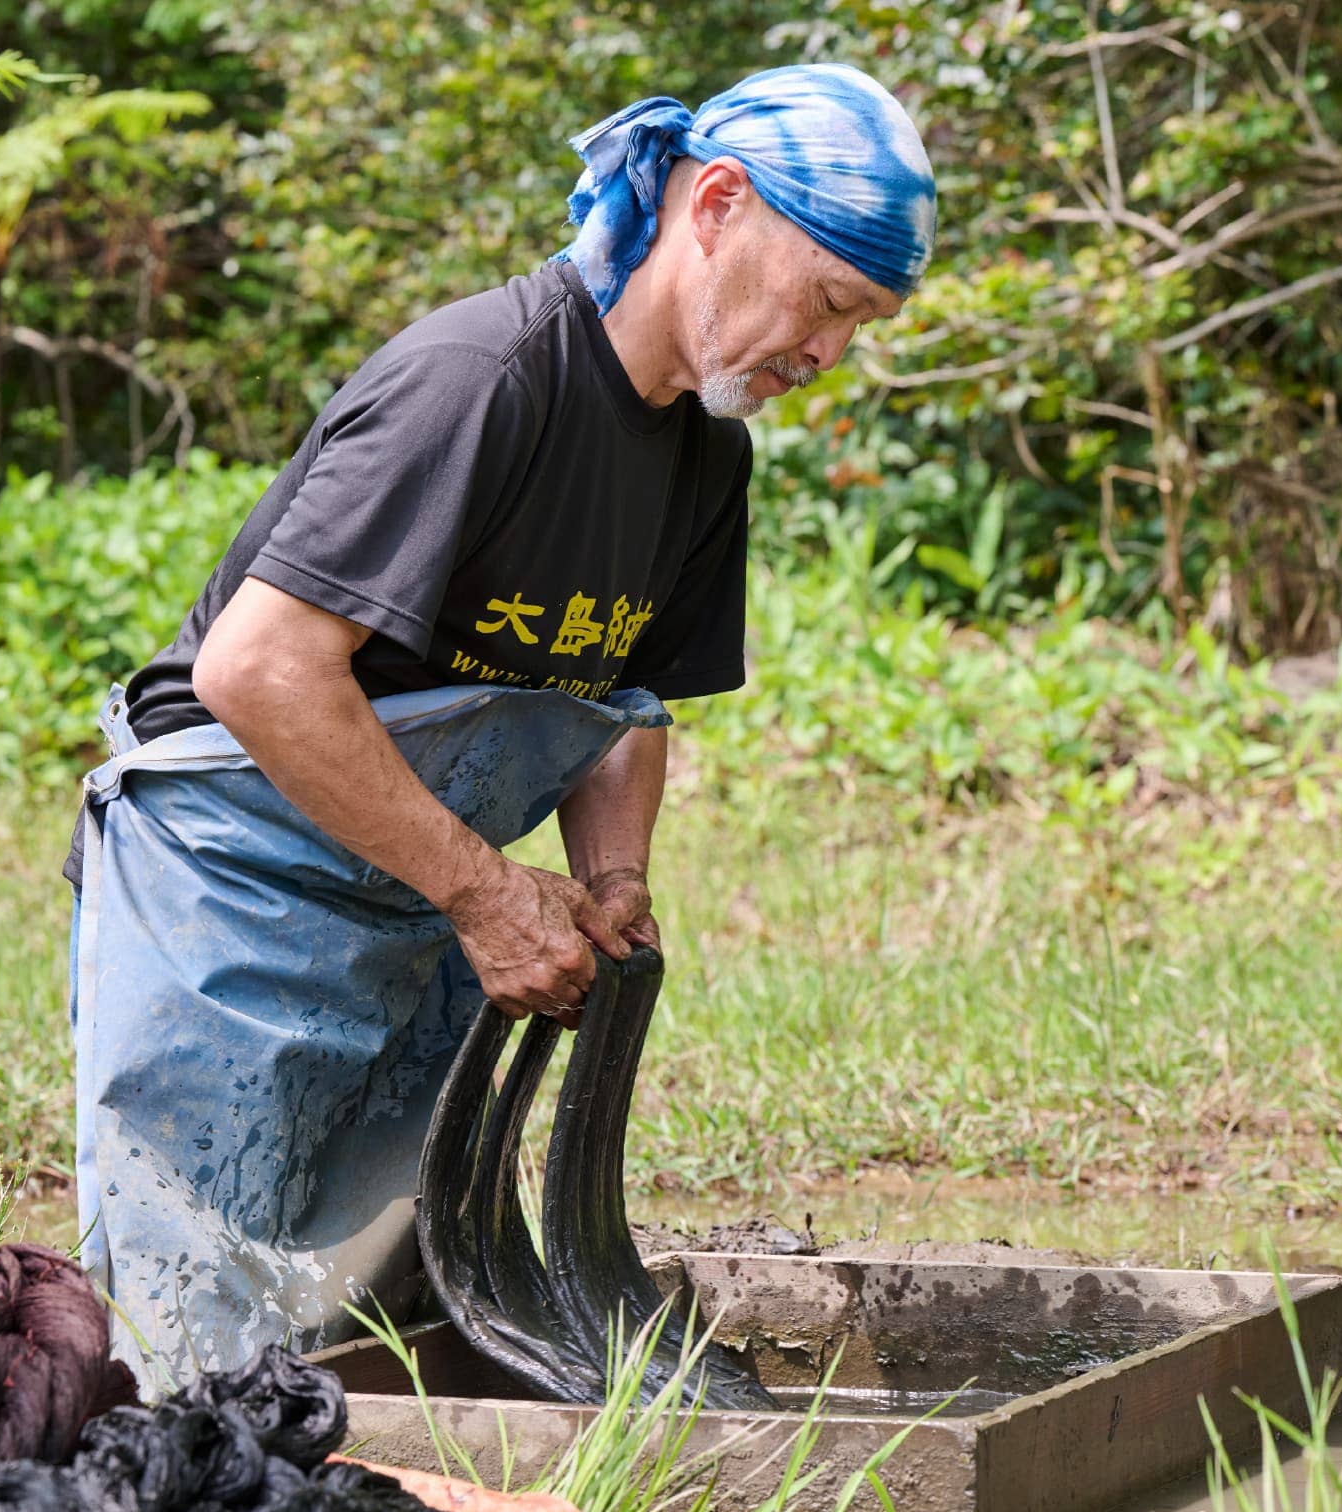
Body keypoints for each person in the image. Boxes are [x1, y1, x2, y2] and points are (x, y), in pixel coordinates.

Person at [67, 63, 936, 1381]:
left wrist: (613, 878)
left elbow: (624, 703)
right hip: (230, 894)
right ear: (716, 206)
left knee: (372, 1329)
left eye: (859, 324)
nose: (827, 357)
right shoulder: (483, 381)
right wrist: (482, 894)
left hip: (412, 898)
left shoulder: (706, 455)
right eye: (829, 302)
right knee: (192, 1350)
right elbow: (263, 670)